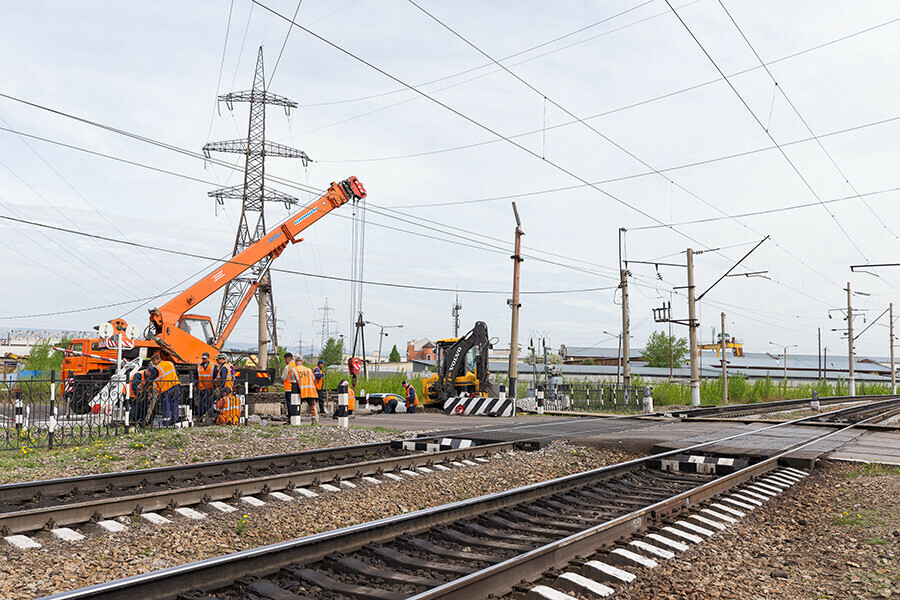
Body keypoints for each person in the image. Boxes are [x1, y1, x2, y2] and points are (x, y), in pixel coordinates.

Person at [146, 353, 180, 426]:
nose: (153, 364)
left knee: (166, 406)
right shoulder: (170, 363)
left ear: (155, 360)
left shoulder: (157, 368)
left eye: (153, 362)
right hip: (175, 386)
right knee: (174, 404)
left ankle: (166, 423)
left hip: (166, 388)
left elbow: (151, 379)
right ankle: (175, 420)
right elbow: (177, 373)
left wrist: (145, 386)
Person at [291, 357, 319, 425]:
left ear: (296, 362)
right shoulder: (308, 370)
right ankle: (315, 421)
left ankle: (295, 421)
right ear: (302, 362)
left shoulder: (294, 370)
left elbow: (293, 382)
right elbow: (314, 380)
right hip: (311, 391)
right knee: (312, 406)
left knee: (296, 406)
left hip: (301, 391)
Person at [213, 354, 239, 425]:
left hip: (225, 389)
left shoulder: (224, 368)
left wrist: (220, 390)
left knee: (223, 405)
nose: (217, 361)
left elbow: (223, 380)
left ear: (222, 359)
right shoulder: (226, 366)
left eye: (218, 360)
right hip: (227, 389)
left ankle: (223, 420)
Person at [195, 352, 214, 419]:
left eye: (205, 358)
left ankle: (209, 417)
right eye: (203, 358)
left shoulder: (212, 366)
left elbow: (214, 377)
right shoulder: (199, 366)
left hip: (209, 387)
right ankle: (200, 417)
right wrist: (196, 384)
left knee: (209, 403)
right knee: (201, 403)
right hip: (201, 387)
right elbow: (196, 375)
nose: (204, 360)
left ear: (208, 358)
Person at [281, 353, 295, 419]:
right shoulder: (297, 366)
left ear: (288, 359)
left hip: (288, 388)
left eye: (285, 359)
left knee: (289, 404)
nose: (284, 361)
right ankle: (296, 418)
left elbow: (283, 378)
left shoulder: (288, 367)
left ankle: (290, 419)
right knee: (295, 404)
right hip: (296, 389)